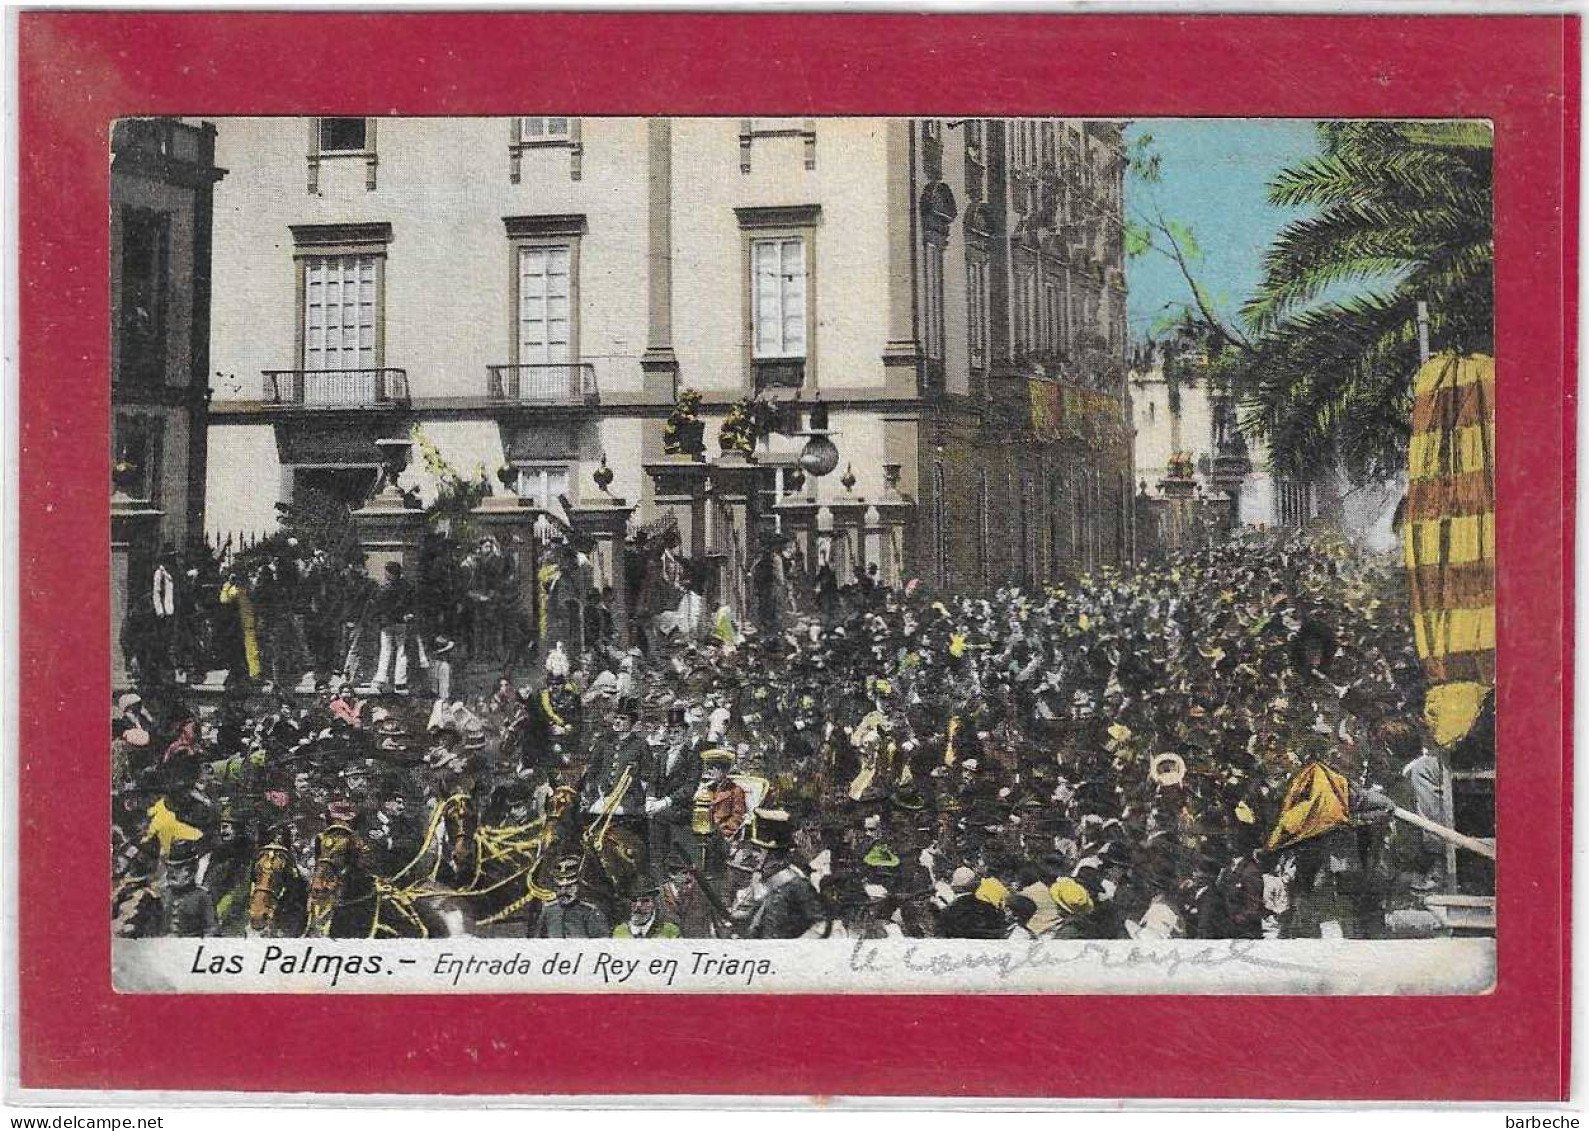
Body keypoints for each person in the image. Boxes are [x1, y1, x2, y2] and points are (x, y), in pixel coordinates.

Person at [735, 809, 825, 939]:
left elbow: (820, 925)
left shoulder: (797, 884)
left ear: (779, 858)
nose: (758, 860)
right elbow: (744, 916)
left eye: (763, 854)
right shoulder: (761, 880)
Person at [535, 857, 610, 938]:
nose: (563, 892)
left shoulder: (590, 912)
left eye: (568, 887)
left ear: (577, 887)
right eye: (559, 888)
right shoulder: (548, 910)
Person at [369, 562, 415, 694]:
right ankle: (400, 681)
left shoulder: (384, 587)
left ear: (388, 573)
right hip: (401, 621)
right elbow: (411, 603)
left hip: (387, 622)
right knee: (401, 652)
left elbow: (377, 604)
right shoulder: (406, 586)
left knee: (386, 651)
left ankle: (381, 679)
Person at [613, 880, 681, 939]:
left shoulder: (670, 930)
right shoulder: (619, 930)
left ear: (654, 904)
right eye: (634, 900)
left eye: (645, 901)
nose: (638, 905)